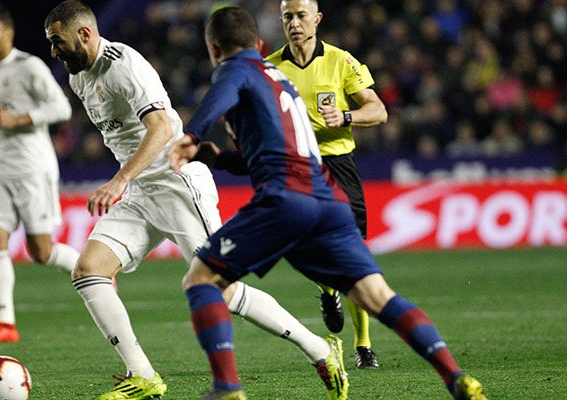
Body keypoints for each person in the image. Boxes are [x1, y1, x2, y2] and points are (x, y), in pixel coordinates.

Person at [168, 6, 487, 400]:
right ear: (262, 41)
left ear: (214, 48)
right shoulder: (281, 78)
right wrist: (218, 159)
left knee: (201, 279)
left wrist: (192, 134)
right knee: (378, 297)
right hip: (326, 199)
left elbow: (223, 90)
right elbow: (278, 151)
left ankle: (227, 389)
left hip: (286, 198)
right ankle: (456, 377)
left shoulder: (238, 69)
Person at [44, 2, 349, 399]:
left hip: (177, 184)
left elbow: (163, 126)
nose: (54, 51)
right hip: (141, 192)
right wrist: (128, 182)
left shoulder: (124, 66)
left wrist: (119, 180)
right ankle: (143, 376)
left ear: (84, 34)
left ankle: (321, 350)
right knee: (88, 270)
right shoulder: (80, 75)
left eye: (57, 42)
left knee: (222, 288)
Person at [265, 0, 388, 370]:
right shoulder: (270, 67)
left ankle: (363, 345)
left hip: (336, 164)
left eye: (302, 15)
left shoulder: (340, 61)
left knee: (350, 252)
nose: (294, 23)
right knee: (296, 244)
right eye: (288, 16)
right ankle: (325, 288)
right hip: (295, 164)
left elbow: (378, 110)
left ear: (316, 19)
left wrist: (346, 115)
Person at [0, 3, 80, 344]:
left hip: (33, 168)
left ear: (9, 32)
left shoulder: (29, 67)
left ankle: (90, 268)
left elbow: (61, 107)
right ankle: (5, 325)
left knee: (40, 251)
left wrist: (20, 119)